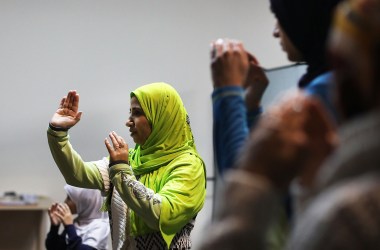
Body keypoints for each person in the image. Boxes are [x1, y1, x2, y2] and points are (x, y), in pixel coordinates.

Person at [198, 0, 380, 249]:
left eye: (279, 18)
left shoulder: (325, 90)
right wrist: (251, 107)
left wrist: (227, 92)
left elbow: (253, 187)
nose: (275, 31)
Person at [47, 82, 206, 250]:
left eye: (137, 113)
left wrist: (121, 171)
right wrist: (58, 133)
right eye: (130, 113)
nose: (128, 122)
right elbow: (77, 174)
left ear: (160, 116)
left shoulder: (189, 166)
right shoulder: (130, 160)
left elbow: (160, 215)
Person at [45, 184, 110, 250]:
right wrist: (54, 227)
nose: (65, 202)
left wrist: (69, 227)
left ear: (84, 201)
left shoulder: (100, 226)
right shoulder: (77, 222)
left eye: (69, 198)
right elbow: (54, 248)